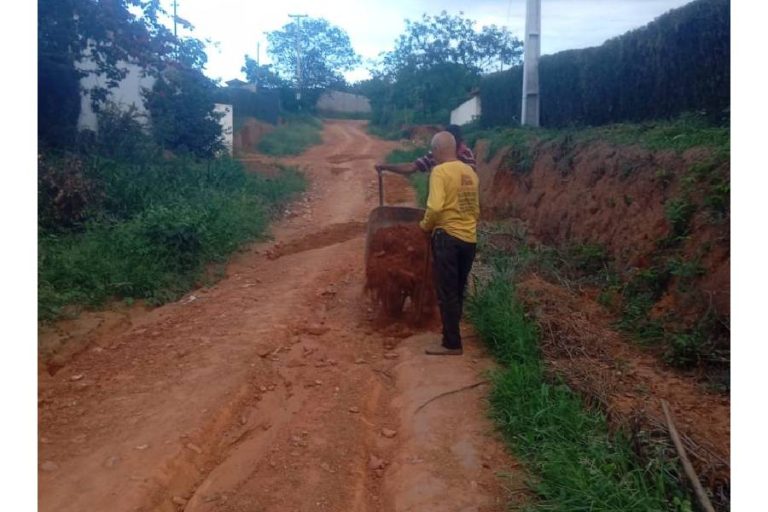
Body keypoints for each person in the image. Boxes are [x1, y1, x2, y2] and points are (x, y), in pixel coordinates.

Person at [419, 131, 480, 356]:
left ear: (436, 151)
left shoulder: (440, 171)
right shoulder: (470, 172)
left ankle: (451, 343)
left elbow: (435, 207)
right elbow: (475, 209)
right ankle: (452, 333)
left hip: (447, 238)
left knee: (447, 291)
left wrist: (425, 226)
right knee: (458, 289)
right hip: (469, 239)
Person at [374, 124, 476, 176]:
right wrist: (385, 167)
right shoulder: (436, 154)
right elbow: (411, 167)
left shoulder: (466, 154)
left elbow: (470, 179)